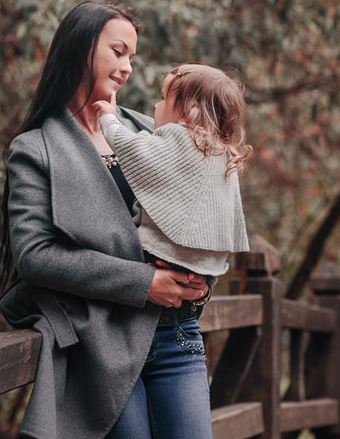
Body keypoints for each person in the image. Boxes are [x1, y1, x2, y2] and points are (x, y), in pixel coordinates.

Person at [0, 0, 247, 439]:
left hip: (175, 338)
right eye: (118, 50)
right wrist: (142, 283)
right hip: (102, 347)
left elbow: (199, 210)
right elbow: (34, 256)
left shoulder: (145, 129)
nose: (128, 66)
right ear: (81, 49)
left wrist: (199, 280)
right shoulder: (35, 149)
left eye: (132, 54)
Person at [93, 63, 252, 279]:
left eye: (163, 98)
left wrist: (109, 118)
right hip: (201, 273)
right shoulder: (224, 154)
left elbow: (132, 148)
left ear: (185, 114)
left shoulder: (179, 136)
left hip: (156, 259)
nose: (156, 105)